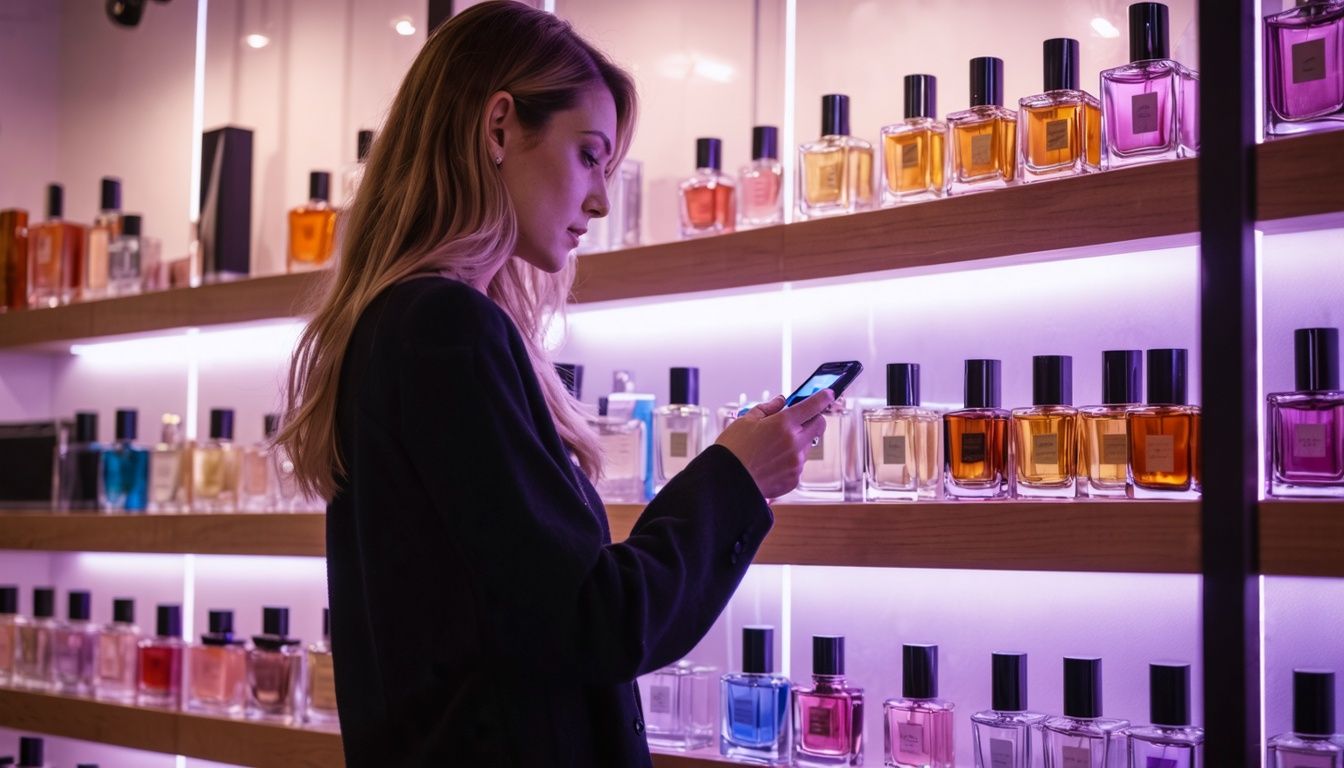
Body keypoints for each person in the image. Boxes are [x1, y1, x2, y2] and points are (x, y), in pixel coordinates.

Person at [277, 2, 833, 765]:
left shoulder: (397, 326)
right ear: (499, 128)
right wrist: (737, 478)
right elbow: (591, 623)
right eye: (589, 155)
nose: (601, 198)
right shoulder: (445, 329)